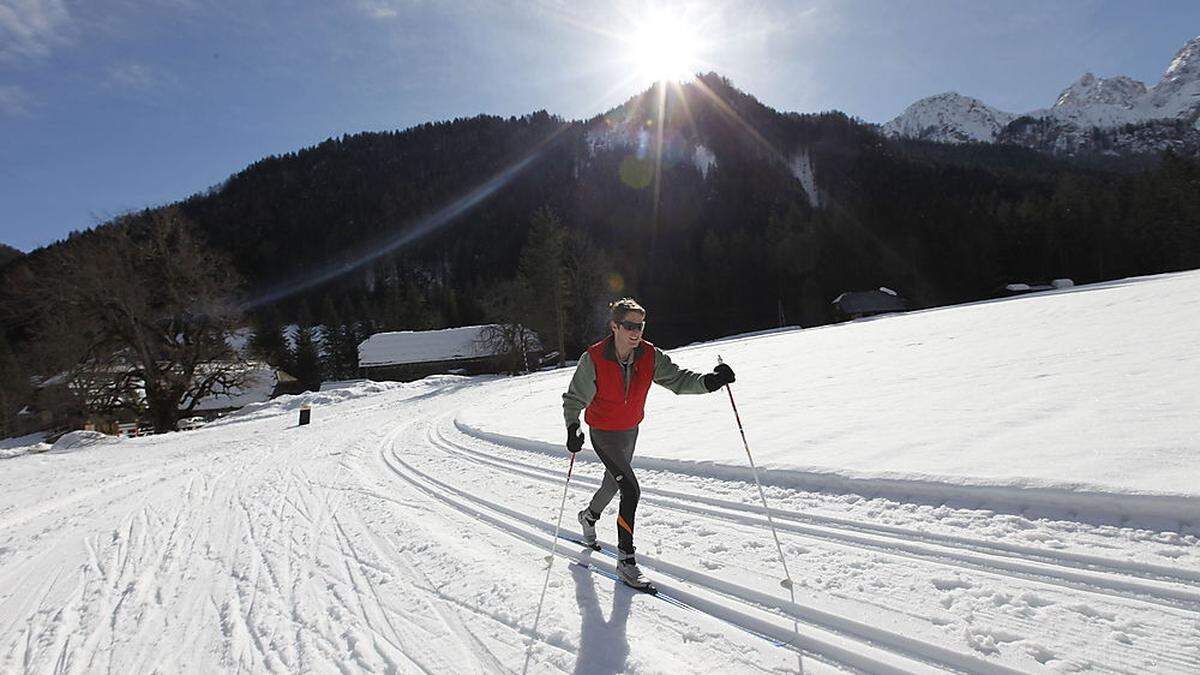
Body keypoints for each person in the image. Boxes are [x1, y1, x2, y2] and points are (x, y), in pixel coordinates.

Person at [562, 298, 736, 590]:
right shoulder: (594, 358)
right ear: (614, 326)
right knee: (630, 489)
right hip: (603, 432)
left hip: (630, 431)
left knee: (614, 483)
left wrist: (710, 382)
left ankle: (588, 517)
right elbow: (574, 399)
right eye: (629, 326)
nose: (635, 332)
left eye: (639, 326)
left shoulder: (649, 355)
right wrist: (572, 427)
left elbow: (679, 380)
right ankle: (626, 560)